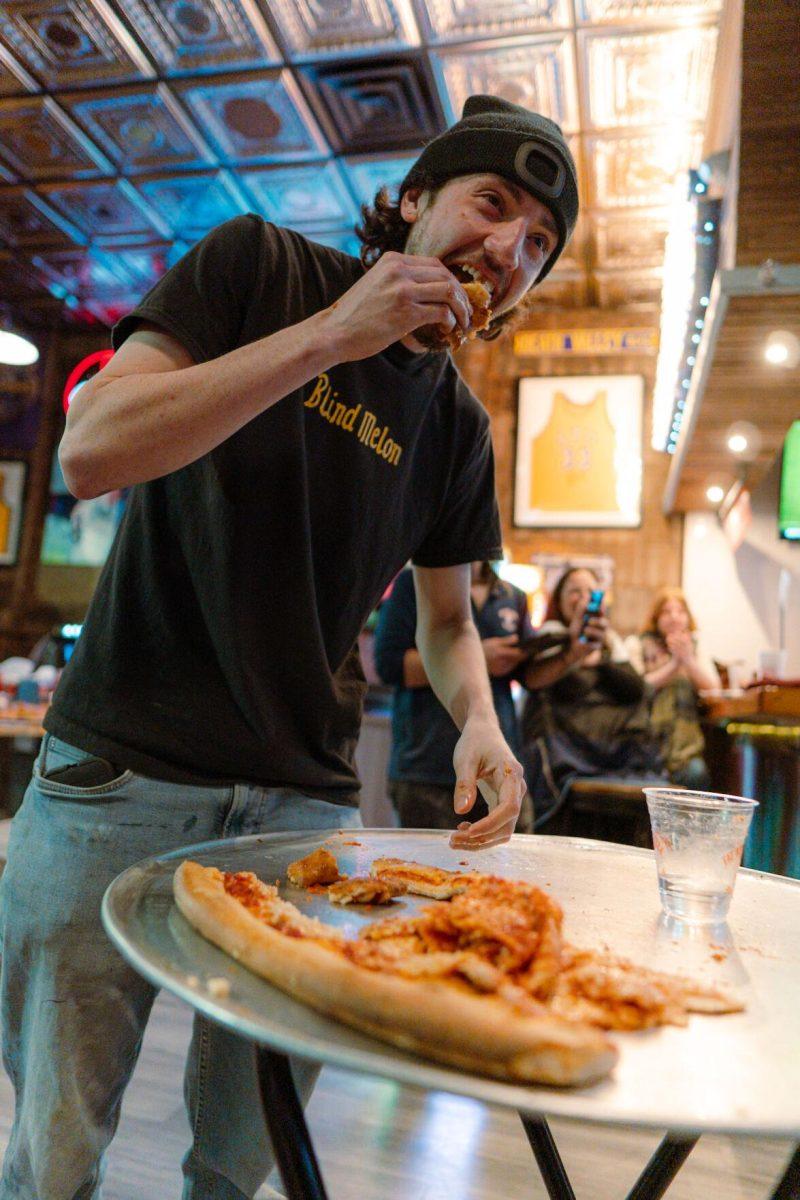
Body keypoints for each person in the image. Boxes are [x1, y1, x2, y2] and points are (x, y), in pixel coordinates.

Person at [0, 93, 579, 1200]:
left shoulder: (457, 427)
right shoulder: (257, 266)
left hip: (300, 814)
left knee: (242, 1157)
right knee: (55, 1155)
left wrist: (479, 724)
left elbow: (449, 622)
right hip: (116, 776)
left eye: (538, 245)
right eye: (492, 204)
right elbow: (92, 450)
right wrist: (330, 337)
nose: (507, 250)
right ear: (414, 201)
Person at [374, 561, 535, 831]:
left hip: (499, 762)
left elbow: (530, 676)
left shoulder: (512, 594)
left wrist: (572, 652)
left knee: (511, 868)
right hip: (427, 763)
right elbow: (389, 665)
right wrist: (480, 657)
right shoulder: (411, 582)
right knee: (424, 870)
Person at [520, 566, 664, 824]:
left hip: (615, 755)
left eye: (590, 591)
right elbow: (552, 688)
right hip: (566, 755)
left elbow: (636, 691)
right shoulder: (549, 637)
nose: (584, 598)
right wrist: (574, 653)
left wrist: (599, 659)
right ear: (560, 600)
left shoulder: (609, 640)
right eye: (575, 591)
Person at [629, 587, 720, 788]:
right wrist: (673, 665)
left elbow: (714, 690)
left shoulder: (696, 649)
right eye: (667, 612)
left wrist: (687, 659)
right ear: (656, 617)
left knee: (697, 773)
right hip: (645, 742)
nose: (674, 617)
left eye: (680, 611)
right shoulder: (638, 645)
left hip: (685, 747)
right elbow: (636, 687)